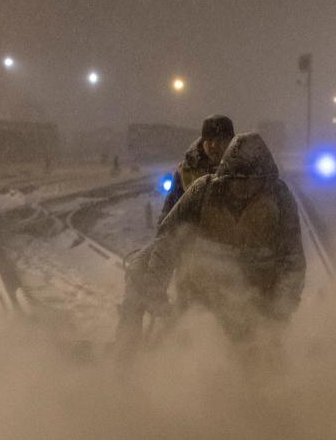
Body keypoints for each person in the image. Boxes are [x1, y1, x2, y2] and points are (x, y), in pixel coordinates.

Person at [121, 132, 305, 344]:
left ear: (264, 180)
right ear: (226, 175)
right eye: (237, 181)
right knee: (178, 342)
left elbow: (293, 258)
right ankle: (127, 349)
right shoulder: (203, 191)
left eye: (250, 182)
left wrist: (282, 308)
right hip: (203, 291)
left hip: (259, 295)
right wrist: (156, 290)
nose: (243, 189)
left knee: (262, 359)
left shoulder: (280, 197)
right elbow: (168, 238)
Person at [159, 114, 235, 223]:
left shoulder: (243, 171)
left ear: (230, 142)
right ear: (203, 142)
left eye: (220, 140)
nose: (214, 145)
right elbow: (169, 215)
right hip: (194, 238)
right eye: (209, 140)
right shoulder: (185, 172)